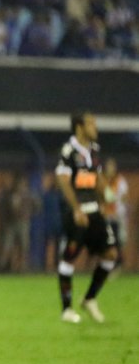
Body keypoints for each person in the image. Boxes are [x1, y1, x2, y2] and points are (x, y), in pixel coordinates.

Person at [54, 112, 118, 323]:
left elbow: (97, 179)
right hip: (77, 213)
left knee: (110, 254)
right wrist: (76, 209)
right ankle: (66, 310)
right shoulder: (69, 151)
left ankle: (89, 298)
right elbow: (63, 180)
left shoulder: (94, 150)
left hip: (95, 211)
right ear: (79, 127)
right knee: (69, 258)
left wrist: (105, 200)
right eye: (91, 123)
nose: (95, 127)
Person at [102, 157, 128, 265]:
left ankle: (119, 261)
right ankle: (108, 261)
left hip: (118, 215)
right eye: (108, 166)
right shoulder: (102, 180)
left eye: (112, 166)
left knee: (120, 239)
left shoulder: (120, 180)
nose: (110, 168)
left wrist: (114, 200)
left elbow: (125, 197)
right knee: (106, 240)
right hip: (106, 215)